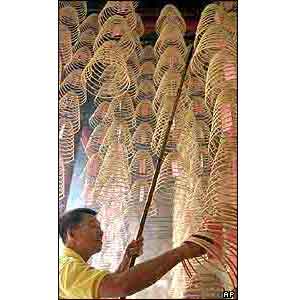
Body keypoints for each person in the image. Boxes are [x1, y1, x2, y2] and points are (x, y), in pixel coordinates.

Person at [59, 208, 213, 299]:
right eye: (93, 226)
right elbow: (119, 285)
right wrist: (182, 252)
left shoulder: (73, 268)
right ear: (71, 233)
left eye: (99, 226)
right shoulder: (66, 268)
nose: (101, 231)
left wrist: (127, 259)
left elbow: (109, 289)